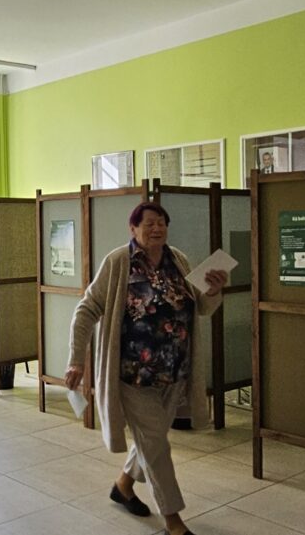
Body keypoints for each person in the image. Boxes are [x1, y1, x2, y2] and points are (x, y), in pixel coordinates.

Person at [65, 202, 227, 535]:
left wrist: (214, 289)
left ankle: (123, 486)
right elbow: (86, 309)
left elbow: (202, 307)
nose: (156, 228)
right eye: (148, 223)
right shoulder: (119, 262)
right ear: (133, 229)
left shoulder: (178, 260)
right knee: (156, 445)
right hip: (133, 375)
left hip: (174, 373)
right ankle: (174, 522)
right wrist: (76, 358)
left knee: (151, 441)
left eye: (161, 223)